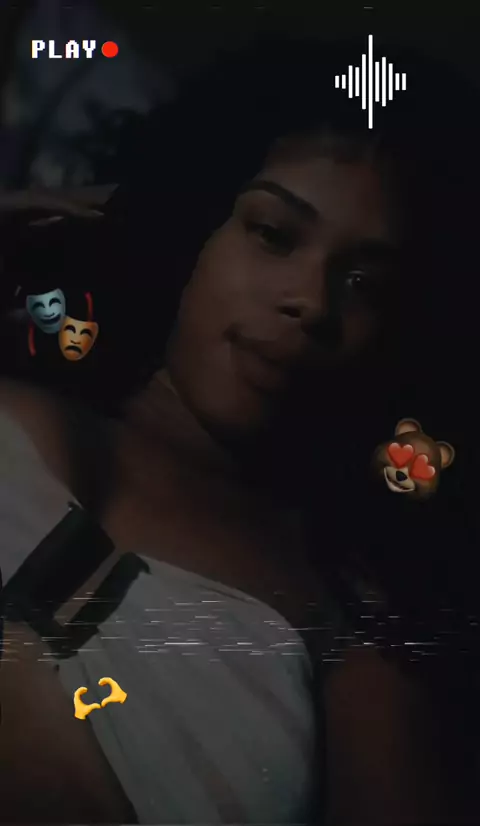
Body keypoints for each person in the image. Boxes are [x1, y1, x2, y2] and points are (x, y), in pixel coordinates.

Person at [0, 36, 479, 825]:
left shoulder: (356, 617)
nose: (312, 302)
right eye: (273, 234)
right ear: (194, 225)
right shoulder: (27, 396)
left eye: (365, 282)